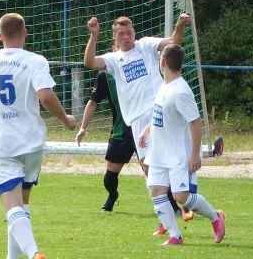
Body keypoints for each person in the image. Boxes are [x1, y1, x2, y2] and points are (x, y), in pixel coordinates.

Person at [0, 13, 76, 259]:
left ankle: (34, 253)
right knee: (22, 204)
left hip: (2, 145)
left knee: (12, 207)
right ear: (25, 33)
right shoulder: (36, 61)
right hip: (31, 142)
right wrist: (65, 119)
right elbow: (46, 97)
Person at [83, 14, 194, 231]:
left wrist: (180, 24)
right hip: (134, 120)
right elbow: (89, 62)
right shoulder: (114, 59)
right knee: (149, 169)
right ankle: (169, 212)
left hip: (155, 113)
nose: (126, 36)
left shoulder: (145, 46)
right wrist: (93, 36)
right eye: (121, 33)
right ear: (114, 38)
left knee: (159, 165)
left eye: (129, 31)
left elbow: (173, 42)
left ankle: (178, 208)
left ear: (134, 32)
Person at [138, 44, 226, 245]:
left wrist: (195, 153)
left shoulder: (181, 91)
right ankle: (175, 236)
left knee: (181, 196)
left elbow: (195, 122)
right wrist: (147, 129)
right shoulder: (165, 85)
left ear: (163, 62)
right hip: (159, 152)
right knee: (156, 191)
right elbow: (162, 113)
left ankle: (216, 217)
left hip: (179, 153)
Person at [75, 70, 183, 217]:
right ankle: (112, 195)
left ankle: (172, 206)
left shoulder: (142, 70)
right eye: (117, 47)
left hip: (143, 131)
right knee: (110, 176)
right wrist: (83, 128)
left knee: (150, 170)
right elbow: (93, 102)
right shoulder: (105, 76)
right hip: (120, 132)